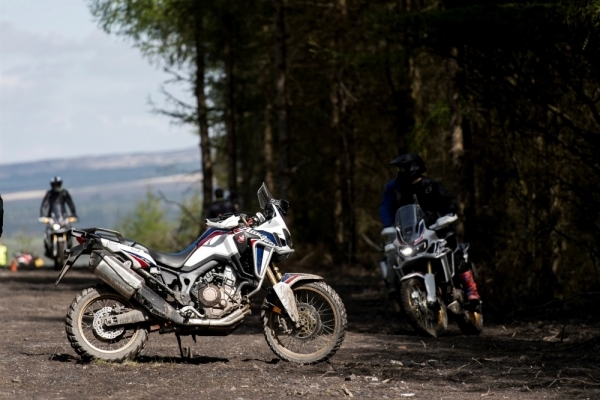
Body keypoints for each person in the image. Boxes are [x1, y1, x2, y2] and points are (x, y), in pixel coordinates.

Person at [379, 153, 480, 306]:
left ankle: (471, 290)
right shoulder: (405, 193)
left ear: (412, 169)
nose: (399, 173)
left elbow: (448, 200)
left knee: (455, 253)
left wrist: (448, 214)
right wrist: (397, 230)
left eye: (402, 169)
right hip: (419, 234)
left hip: (440, 229)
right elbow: (404, 214)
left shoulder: (431, 186)